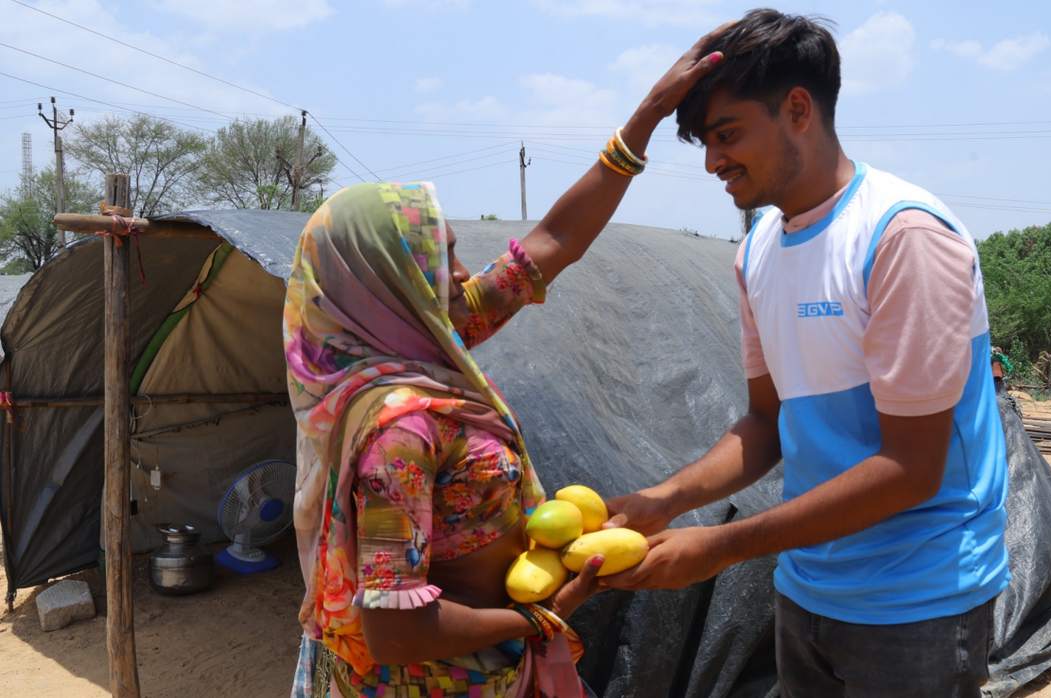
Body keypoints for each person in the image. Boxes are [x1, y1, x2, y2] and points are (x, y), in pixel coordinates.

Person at [283, 24, 732, 698]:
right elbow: (395, 628)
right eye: (441, 259)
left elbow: (552, 241)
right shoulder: (396, 435)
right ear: (387, 280)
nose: (465, 272)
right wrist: (540, 614)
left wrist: (646, 117)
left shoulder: (425, 341)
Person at [600, 9, 1010, 697]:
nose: (712, 162)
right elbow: (766, 424)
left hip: (918, 600)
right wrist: (663, 501)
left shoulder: (900, 236)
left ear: (797, 109)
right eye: (704, 142)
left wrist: (720, 548)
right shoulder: (760, 245)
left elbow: (910, 469)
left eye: (726, 134)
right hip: (806, 585)